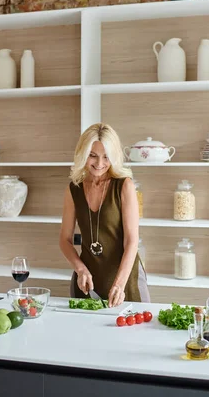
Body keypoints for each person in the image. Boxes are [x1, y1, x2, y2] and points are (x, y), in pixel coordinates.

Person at [59, 123, 150, 307]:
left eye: (106, 157)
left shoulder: (124, 186)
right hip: (86, 282)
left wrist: (119, 284)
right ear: (83, 153)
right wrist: (80, 269)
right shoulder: (73, 189)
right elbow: (64, 239)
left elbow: (132, 241)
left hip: (125, 281)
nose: (99, 164)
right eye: (92, 156)